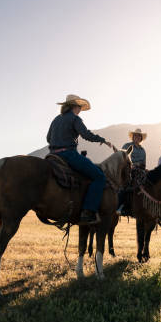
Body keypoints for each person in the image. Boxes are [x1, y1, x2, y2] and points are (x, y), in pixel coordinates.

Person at [46, 94, 113, 225]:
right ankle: (87, 211)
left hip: (52, 155)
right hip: (69, 155)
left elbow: (48, 138)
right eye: (79, 107)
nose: (80, 109)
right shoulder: (75, 119)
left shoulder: (56, 119)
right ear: (74, 106)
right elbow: (86, 135)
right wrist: (102, 140)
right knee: (99, 177)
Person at [117, 128, 147, 215]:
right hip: (128, 169)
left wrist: (141, 167)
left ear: (141, 138)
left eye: (139, 136)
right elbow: (121, 158)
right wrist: (132, 165)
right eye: (135, 135)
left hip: (140, 171)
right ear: (133, 137)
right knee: (127, 183)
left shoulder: (143, 150)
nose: (137, 137)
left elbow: (144, 164)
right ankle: (122, 205)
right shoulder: (126, 146)